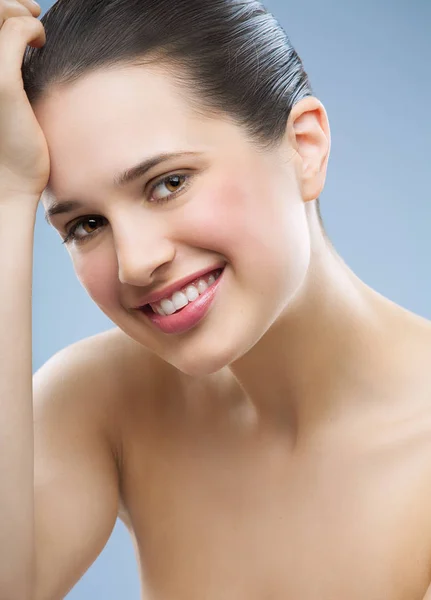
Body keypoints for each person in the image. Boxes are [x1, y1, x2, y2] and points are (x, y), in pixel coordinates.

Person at [0, 0, 430, 598]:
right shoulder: (101, 401)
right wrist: (5, 194)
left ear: (304, 147)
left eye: (168, 184)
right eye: (86, 225)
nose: (136, 261)